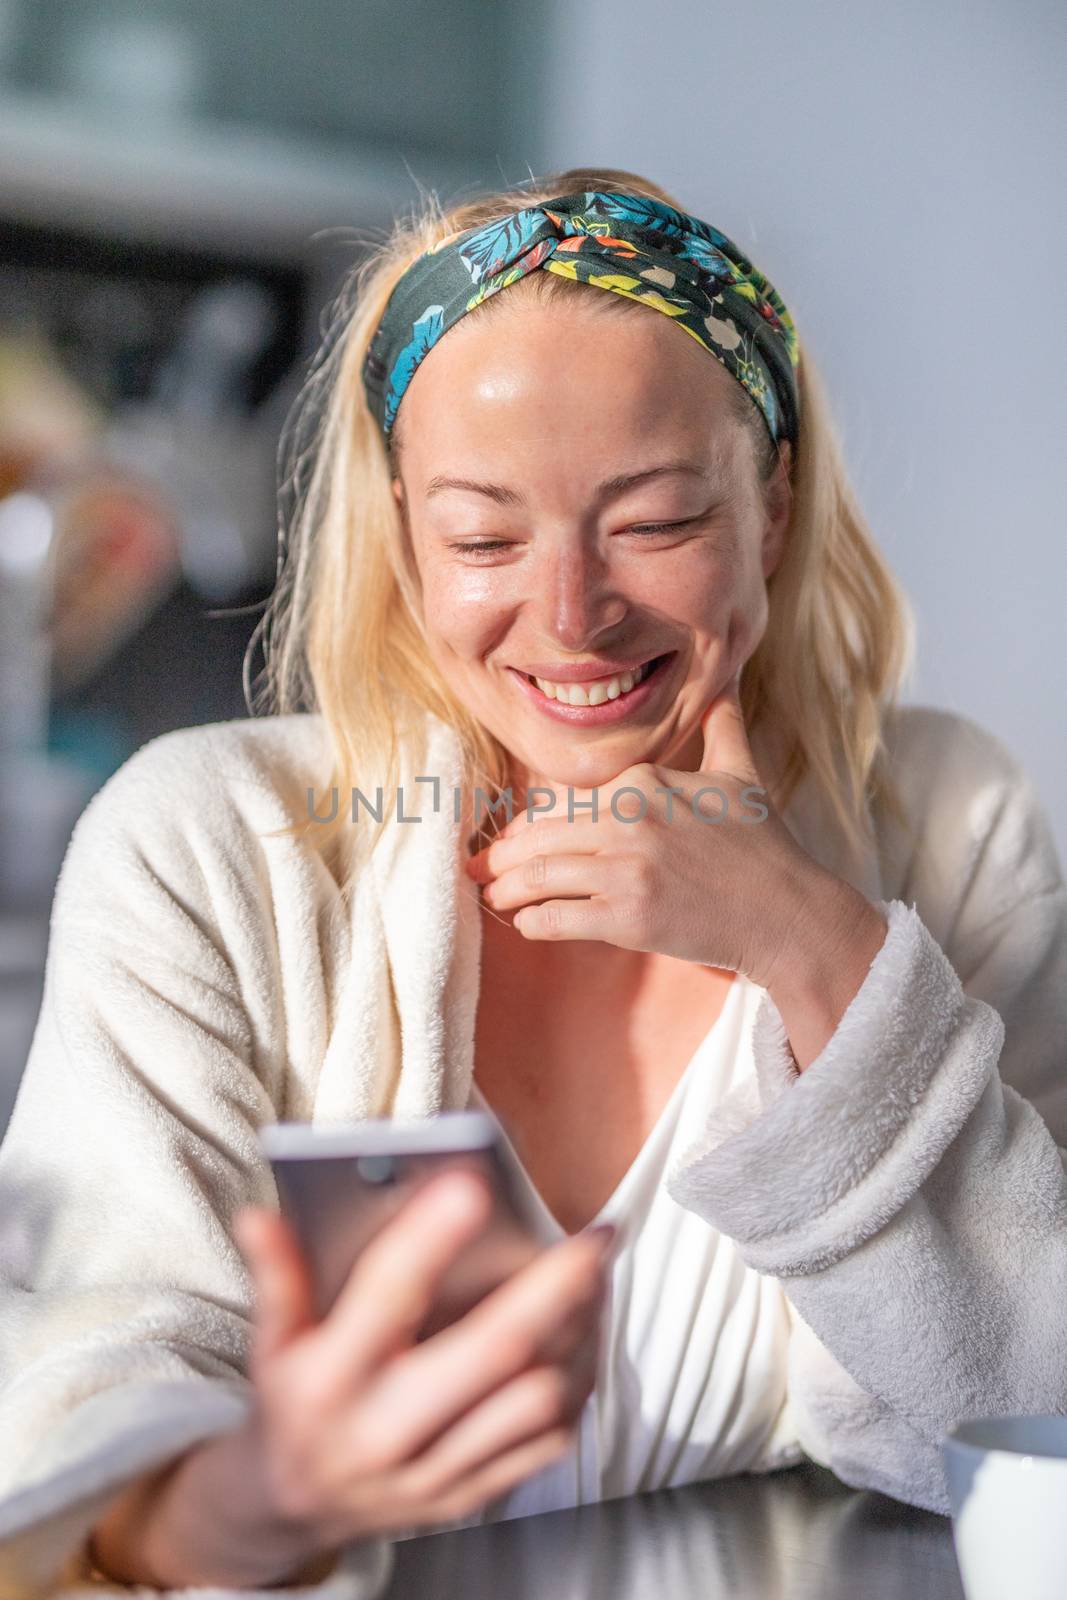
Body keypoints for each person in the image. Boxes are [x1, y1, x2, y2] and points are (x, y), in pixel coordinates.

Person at [1, 165, 1065, 1599]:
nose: (571, 616)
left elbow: (1031, 1412)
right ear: (401, 535)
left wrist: (818, 947)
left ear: (773, 502)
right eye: (486, 538)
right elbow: (79, 1407)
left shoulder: (948, 819)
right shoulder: (215, 847)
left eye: (655, 521)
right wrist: (245, 1502)